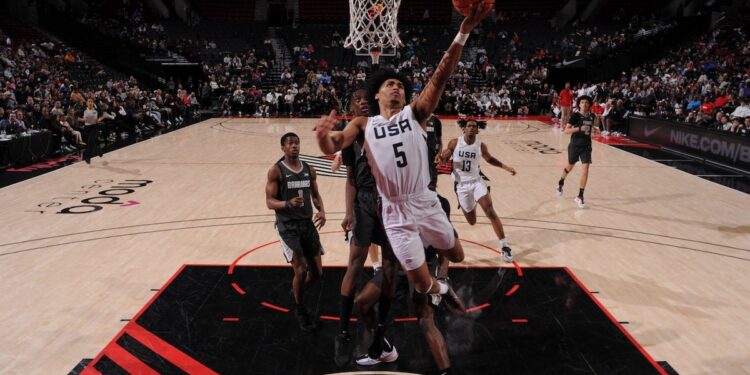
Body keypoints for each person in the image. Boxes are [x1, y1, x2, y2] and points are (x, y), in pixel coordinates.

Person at [315, 2, 491, 313]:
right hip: (393, 212)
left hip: (424, 200)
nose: (396, 88)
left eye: (399, 85)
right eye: (389, 85)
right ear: (377, 95)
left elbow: (440, 76)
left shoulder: (415, 115)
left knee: (460, 255)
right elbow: (335, 144)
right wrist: (322, 137)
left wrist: (462, 33)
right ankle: (441, 287)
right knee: (423, 285)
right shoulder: (363, 124)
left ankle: (436, 246)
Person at [354, 195, 456, 373]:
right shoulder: (391, 201)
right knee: (362, 301)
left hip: (423, 267)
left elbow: (447, 246)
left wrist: (442, 277)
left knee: (426, 319)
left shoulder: (438, 202)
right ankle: (385, 350)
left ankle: (445, 371)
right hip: (397, 266)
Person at [335, 89, 399, 366]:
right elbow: (350, 178)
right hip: (363, 201)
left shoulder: (386, 127)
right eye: (355, 98)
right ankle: (343, 333)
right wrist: (348, 212)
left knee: (389, 269)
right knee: (354, 264)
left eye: (364, 97)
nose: (361, 101)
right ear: (350, 105)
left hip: (389, 202)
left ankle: (381, 334)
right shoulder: (349, 136)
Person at [265, 132, 327, 332]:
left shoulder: (309, 169)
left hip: (307, 225)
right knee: (300, 270)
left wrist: (322, 210)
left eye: (297, 143)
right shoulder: (276, 171)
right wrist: (287, 203)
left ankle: (296, 291)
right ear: (282, 148)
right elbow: (269, 202)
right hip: (288, 227)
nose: (294, 146)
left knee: (317, 273)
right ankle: (300, 308)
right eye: (290, 143)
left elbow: (316, 195)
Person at [438, 119, 517, 263]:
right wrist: (442, 159)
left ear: (477, 131)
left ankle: (504, 246)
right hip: (461, 186)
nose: (471, 128)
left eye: (474, 126)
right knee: (472, 221)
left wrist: (505, 167)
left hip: (476, 182)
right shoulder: (455, 142)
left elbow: (490, 159)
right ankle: (472, 203)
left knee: (490, 211)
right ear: (464, 129)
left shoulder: (481, 146)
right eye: (469, 126)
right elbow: (446, 156)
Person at [556, 95, 600, 208]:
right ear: (579, 104)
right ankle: (561, 182)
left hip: (586, 146)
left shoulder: (592, 115)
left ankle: (580, 196)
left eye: (586, 102)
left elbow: (590, 129)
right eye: (582, 102)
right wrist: (579, 129)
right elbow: (566, 130)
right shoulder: (575, 116)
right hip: (575, 145)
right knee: (570, 167)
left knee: (586, 169)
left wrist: (595, 130)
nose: (584, 104)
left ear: (589, 104)